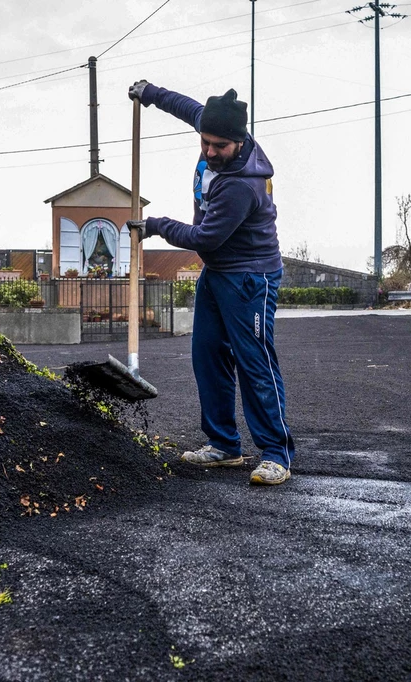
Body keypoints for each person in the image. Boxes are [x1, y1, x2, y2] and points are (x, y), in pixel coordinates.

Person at [126, 81, 295, 486]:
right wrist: (149, 93)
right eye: (205, 143)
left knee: (255, 362)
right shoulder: (211, 126)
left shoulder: (242, 184)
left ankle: (276, 453)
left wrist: (155, 226)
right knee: (206, 355)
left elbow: (203, 239)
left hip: (250, 277)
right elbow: (184, 106)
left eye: (219, 146)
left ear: (238, 143)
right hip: (217, 272)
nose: (210, 151)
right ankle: (223, 446)